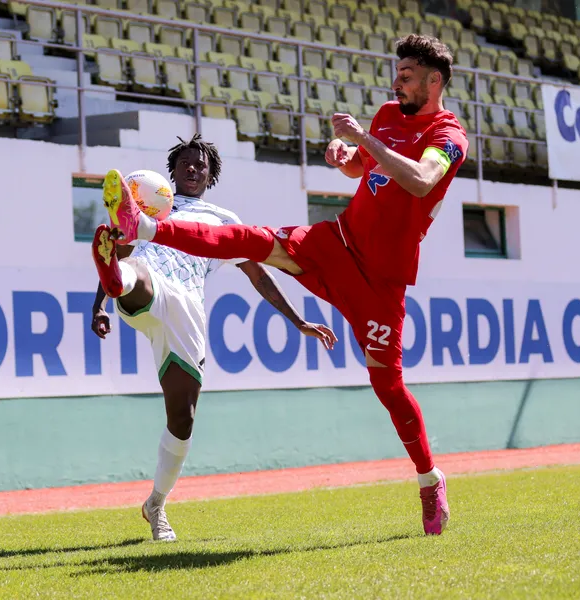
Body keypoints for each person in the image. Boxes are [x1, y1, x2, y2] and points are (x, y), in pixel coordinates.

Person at [98, 35, 469, 536]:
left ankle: (429, 479)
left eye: (407, 75)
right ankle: (145, 227)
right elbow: (366, 168)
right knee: (254, 241)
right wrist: (346, 158)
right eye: (397, 72)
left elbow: (421, 180)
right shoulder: (387, 114)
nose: (396, 82)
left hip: (382, 278)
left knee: (388, 385)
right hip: (338, 241)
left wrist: (364, 139)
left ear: (434, 81)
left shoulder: (449, 134)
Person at [90, 134, 337, 542]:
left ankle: (156, 504)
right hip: (150, 283)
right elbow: (116, 251)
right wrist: (99, 304)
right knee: (135, 272)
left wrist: (298, 321)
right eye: (185, 163)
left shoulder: (224, 219)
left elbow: (258, 274)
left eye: (200, 164)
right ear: (172, 172)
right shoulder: (153, 206)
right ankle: (120, 284)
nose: (192, 168)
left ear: (210, 174)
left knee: (183, 419)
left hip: (188, 307)